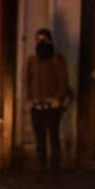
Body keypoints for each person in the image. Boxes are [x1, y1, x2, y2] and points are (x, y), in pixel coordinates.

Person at [24, 28, 72, 178]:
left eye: (44, 40)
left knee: (53, 138)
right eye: (39, 40)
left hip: (52, 106)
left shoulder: (57, 59)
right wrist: (30, 99)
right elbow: (28, 81)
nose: (41, 43)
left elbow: (63, 81)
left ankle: (55, 170)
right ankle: (41, 169)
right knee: (40, 140)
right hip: (37, 105)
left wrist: (58, 99)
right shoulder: (32, 60)